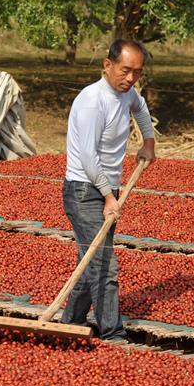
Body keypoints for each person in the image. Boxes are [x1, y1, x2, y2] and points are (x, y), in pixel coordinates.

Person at [60, 39, 156, 342]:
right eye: (125, 71)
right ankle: (113, 334)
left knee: (90, 262)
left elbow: (140, 108)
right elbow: (88, 157)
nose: (130, 79)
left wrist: (149, 141)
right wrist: (109, 196)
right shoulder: (92, 101)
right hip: (84, 190)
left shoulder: (128, 95)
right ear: (107, 65)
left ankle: (68, 326)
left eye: (137, 73)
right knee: (103, 264)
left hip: (106, 189)